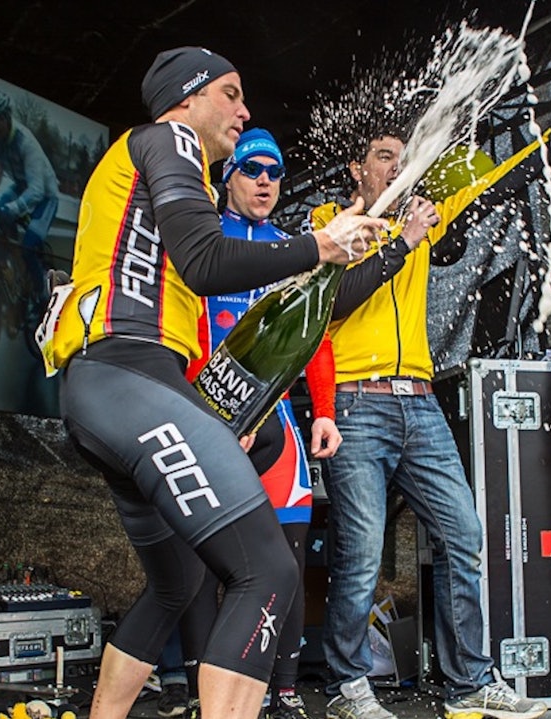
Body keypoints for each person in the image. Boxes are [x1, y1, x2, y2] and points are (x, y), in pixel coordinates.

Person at [45, 46, 385, 719]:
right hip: (126, 378)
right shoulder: (167, 137)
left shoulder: (165, 171)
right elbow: (204, 261)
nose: (244, 108)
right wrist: (317, 246)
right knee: (269, 570)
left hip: (118, 388)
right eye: (230, 93)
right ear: (187, 97)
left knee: (175, 583)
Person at [309, 80, 551, 719]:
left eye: (403, 156)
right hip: (357, 404)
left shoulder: (418, 215)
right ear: (357, 168)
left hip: (418, 404)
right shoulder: (328, 227)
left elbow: (501, 182)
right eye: (386, 156)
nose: (399, 166)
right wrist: (403, 243)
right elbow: (334, 302)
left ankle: (470, 682)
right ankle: (346, 688)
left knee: (465, 534)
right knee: (360, 554)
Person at [180, 127, 343, 719]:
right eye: (252, 170)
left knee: (286, 559)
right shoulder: (203, 240)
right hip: (207, 415)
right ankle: (205, 697)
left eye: (275, 172)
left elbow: (317, 339)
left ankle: (286, 690)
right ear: (229, 179)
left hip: (275, 427)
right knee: (199, 560)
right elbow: (188, 331)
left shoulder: (296, 248)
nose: (267, 181)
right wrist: (205, 411)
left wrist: (324, 412)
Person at [0, 89, 59, 299]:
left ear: (8, 116)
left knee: (28, 248)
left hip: (45, 195)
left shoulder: (26, 143)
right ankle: (11, 274)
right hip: (20, 186)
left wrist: (13, 208)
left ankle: (41, 297)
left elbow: (36, 190)